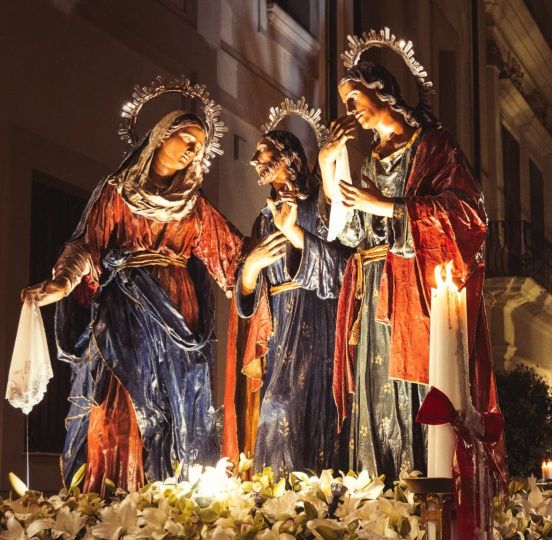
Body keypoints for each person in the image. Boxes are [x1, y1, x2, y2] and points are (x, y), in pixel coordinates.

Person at [22, 99, 245, 494]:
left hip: (179, 315)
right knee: (116, 402)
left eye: (200, 146)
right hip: (124, 310)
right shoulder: (117, 192)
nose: (193, 150)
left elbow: (233, 255)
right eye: (187, 138)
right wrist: (64, 282)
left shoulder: (194, 206)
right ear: (160, 136)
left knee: (178, 403)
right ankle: (112, 494)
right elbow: (87, 245)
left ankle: (172, 498)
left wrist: (265, 258)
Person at [323, 30, 502, 486]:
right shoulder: (371, 159)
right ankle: (378, 489)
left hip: (417, 289)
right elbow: (351, 229)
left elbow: (468, 212)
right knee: (377, 390)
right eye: (346, 104)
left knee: (416, 383)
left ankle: (426, 484)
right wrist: (328, 163)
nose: (351, 110)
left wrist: (389, 207)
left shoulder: (434, 144)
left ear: (381, 91)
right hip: (375, 288)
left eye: (355, 98)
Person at [231, 124, 347, 474]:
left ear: (288, 156)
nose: (255, 160)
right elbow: (248, 294)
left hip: (316, 318)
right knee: (274, 408)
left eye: (263, 151)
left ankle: (306, 496)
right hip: (277, 328)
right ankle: (278, 497)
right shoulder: (263, 220)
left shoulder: (319, 205)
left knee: (288, 409)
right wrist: (251, 267)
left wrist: (294, 233)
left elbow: (342, 269)